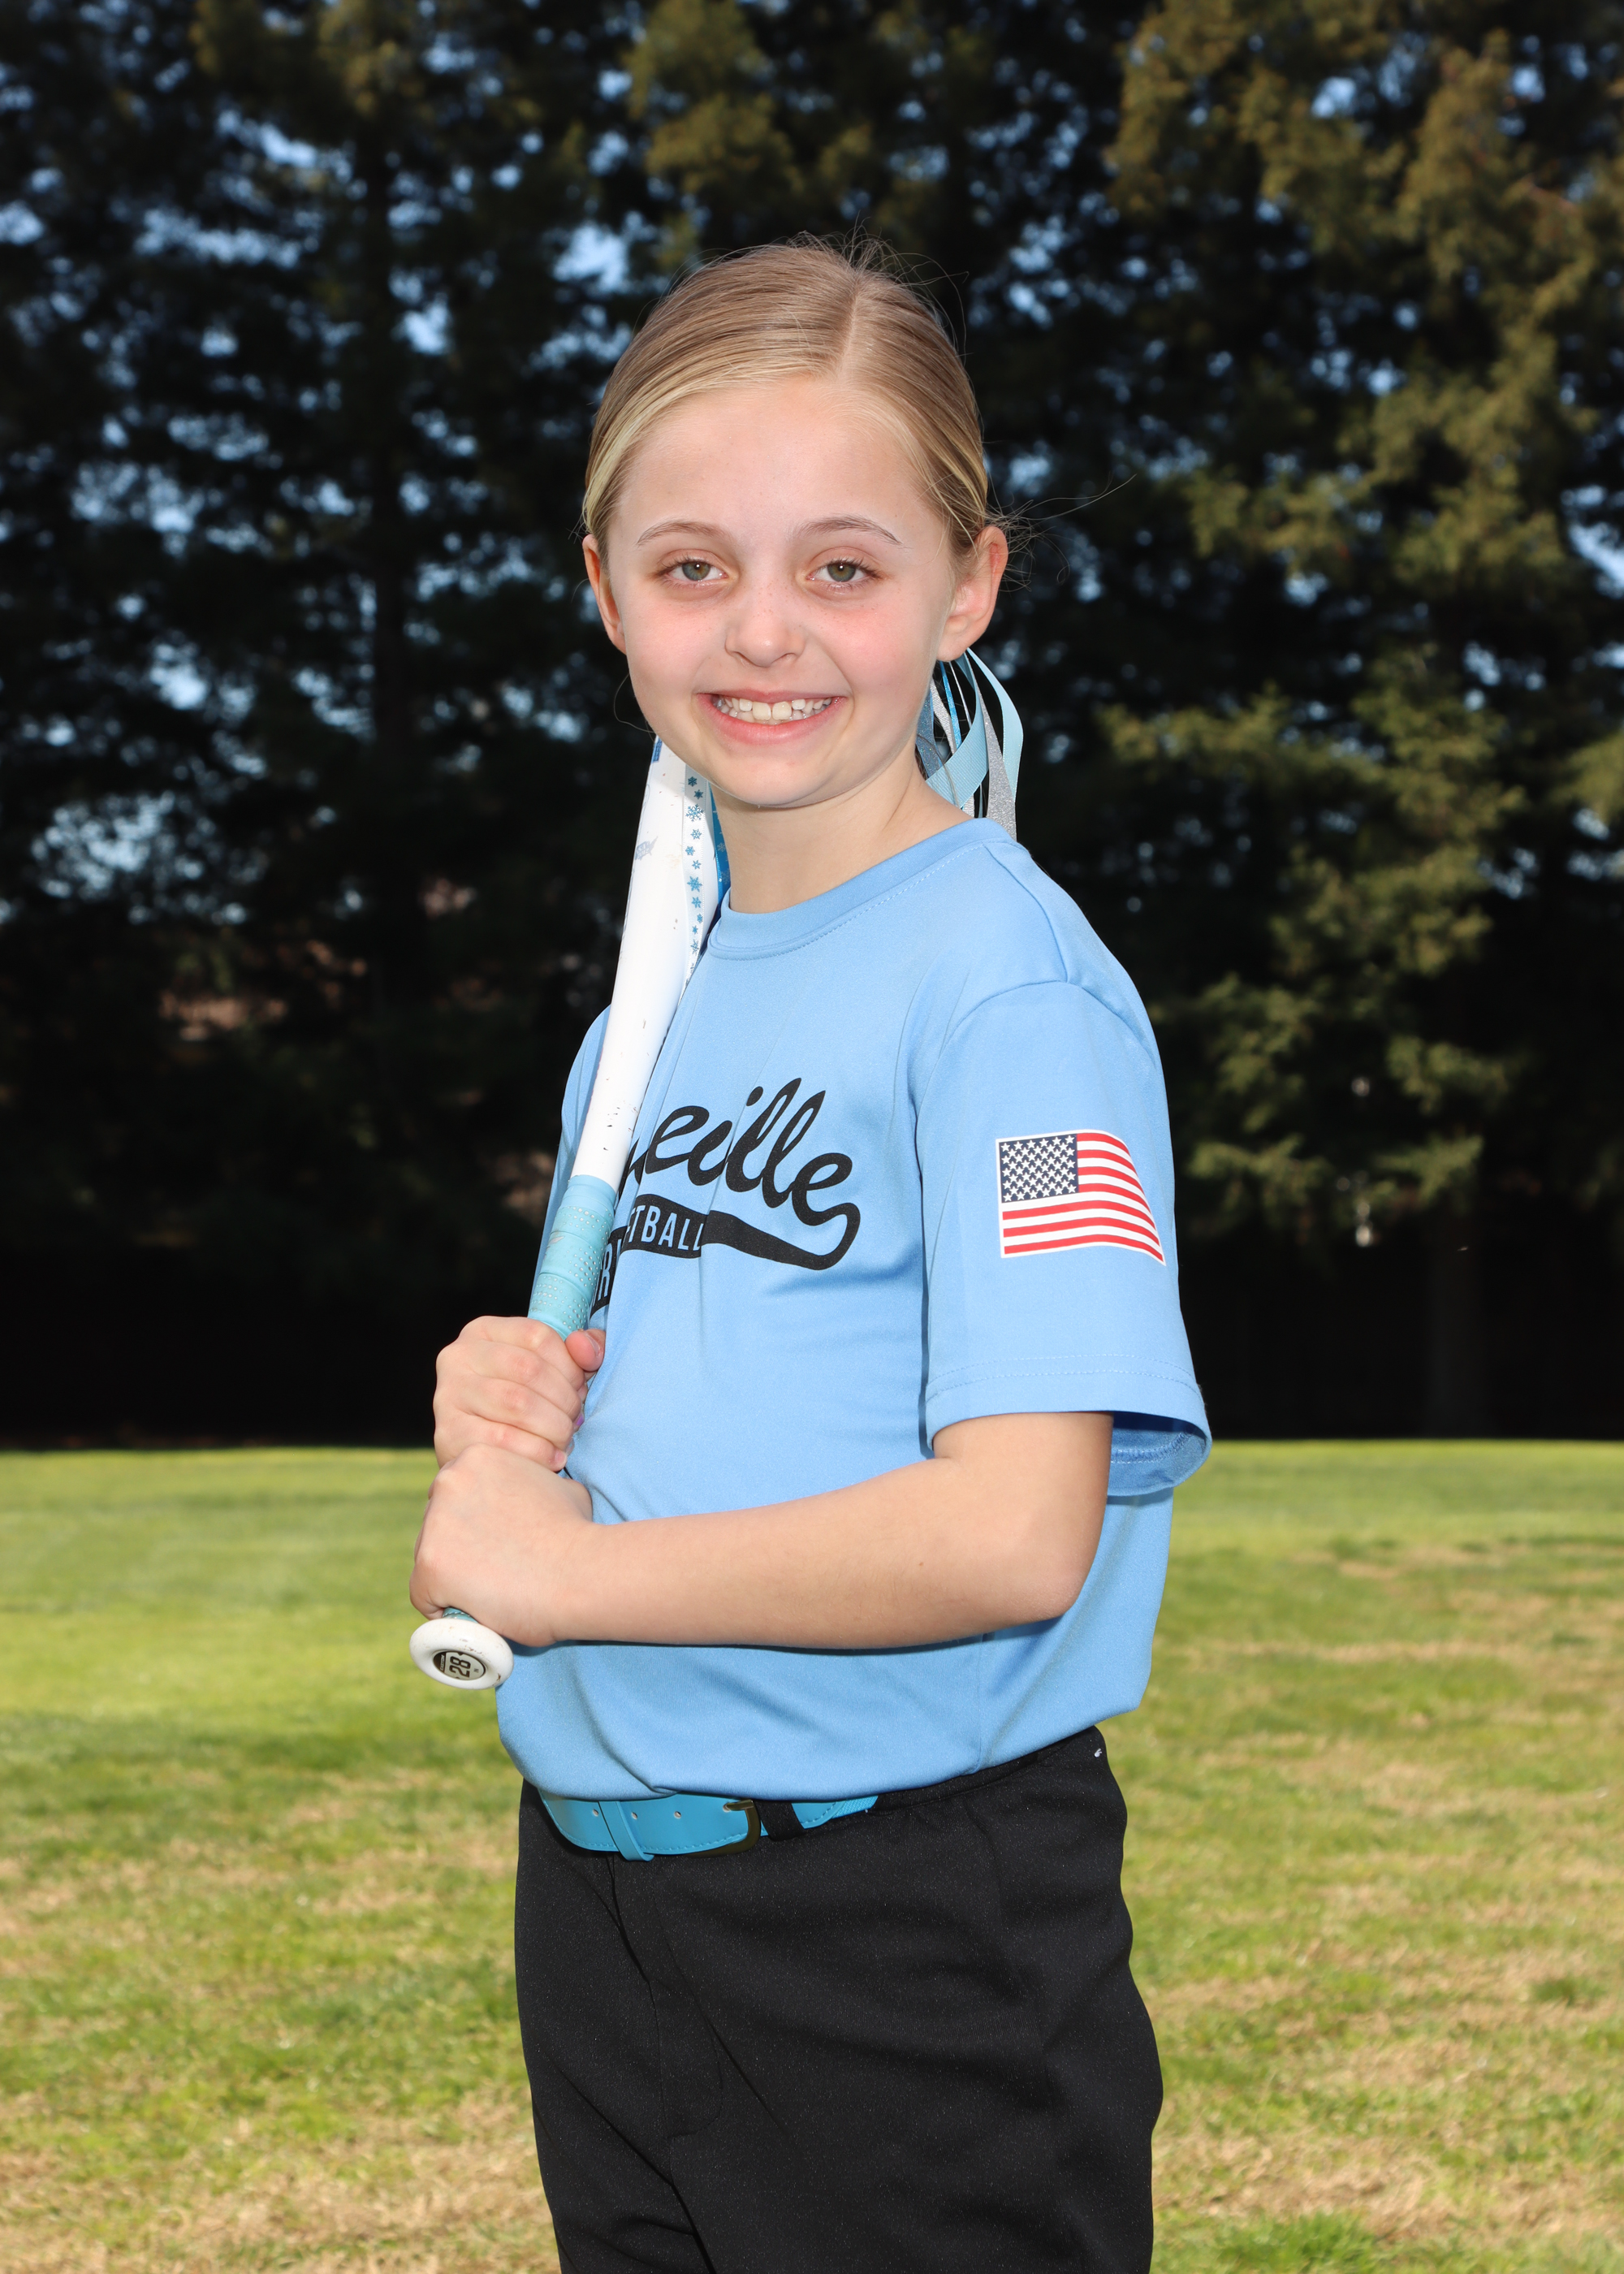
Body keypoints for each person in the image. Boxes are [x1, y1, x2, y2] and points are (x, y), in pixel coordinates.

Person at [411, 237, 1209, 2274]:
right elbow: (677, 1392)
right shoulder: (647, 1009)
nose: (763, 630)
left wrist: (564, 1575)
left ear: (967, 585)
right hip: (608, 1905)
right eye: (693, 566)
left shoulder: (1011, 987)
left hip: (903, 1930)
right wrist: (512, 1404)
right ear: (606, 589)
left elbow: (1012, 1530)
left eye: (842, 566)